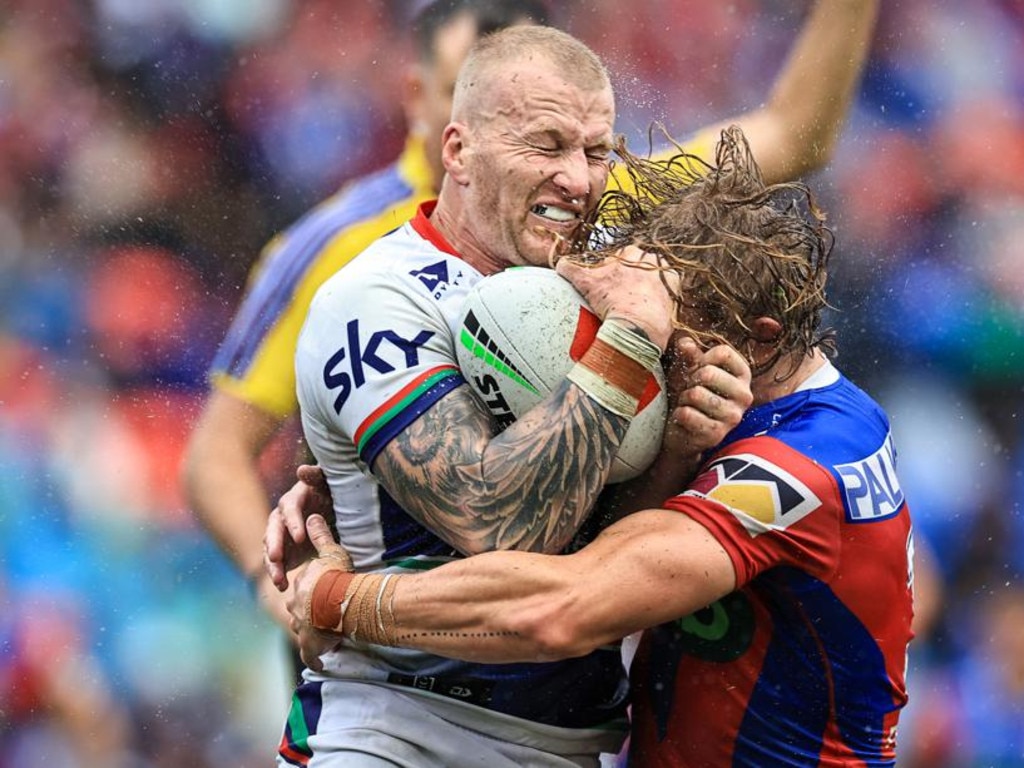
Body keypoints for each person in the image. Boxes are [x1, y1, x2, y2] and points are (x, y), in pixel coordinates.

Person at [182, 0, 880, 639]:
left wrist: (681, 440)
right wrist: (289, 589)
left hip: (570, 721)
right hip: (397, 706)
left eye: (592, 148)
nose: (575, 175)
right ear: (434, 107)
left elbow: (791, 136)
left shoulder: (605, 221)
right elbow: (220, 452)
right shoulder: (343, 255)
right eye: (542, 140)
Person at [284, 125, 916, 767]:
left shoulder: (793, 473)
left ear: (756, 338)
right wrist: (368, 475)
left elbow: (560, 607)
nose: (639, 358)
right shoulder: (759, 408)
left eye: (660, 338)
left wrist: (341, 601)